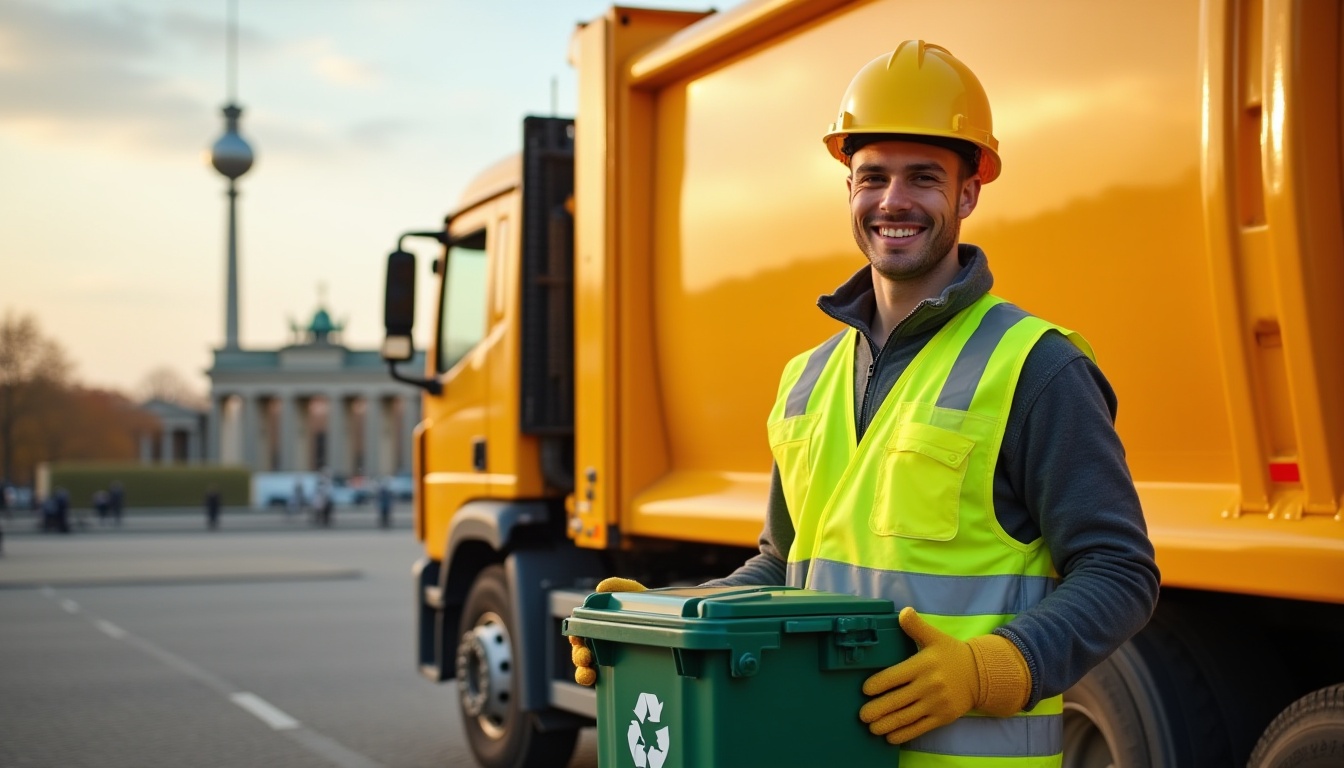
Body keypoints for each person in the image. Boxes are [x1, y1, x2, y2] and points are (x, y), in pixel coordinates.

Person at [571, 41, 1159, 764]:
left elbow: (1120, 571)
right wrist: (663, 621)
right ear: (848, 188)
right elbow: (785, 570)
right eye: (871, 176)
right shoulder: (806, 381)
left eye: (923, 177)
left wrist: (992, 668)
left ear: (969, 192)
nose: (893, 201)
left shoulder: (1037, 367)